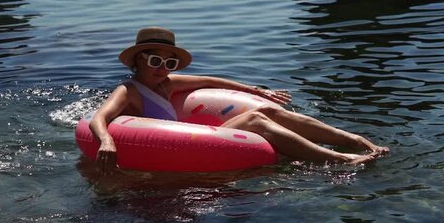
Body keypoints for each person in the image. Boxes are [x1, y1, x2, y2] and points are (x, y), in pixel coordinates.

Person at [90, 27, 389, 173]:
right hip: (167, 148)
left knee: (268, 110)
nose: (162, 69)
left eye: (169, 64)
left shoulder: (170, 83)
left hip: (192, 141)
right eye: (156, 61)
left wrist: (257, 91)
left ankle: (352, 139)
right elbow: (98, 118)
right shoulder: (129, 91)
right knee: (258, 119)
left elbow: (212, 80)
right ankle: (337, 160)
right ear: (139, 60)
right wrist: (106, 140)